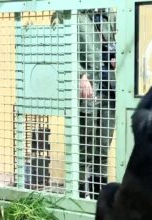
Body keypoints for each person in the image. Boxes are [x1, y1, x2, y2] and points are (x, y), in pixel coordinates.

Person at [51, 9, 116, 199]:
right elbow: (59, 42)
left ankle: (98, 200)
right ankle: (78, 197)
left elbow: (126, 42)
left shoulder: (111, 15)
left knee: (103, 146)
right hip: (87, 90)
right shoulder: (71, 13)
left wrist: (117, 57)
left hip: (110, 89)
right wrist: (80, 74)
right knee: (84, 144)